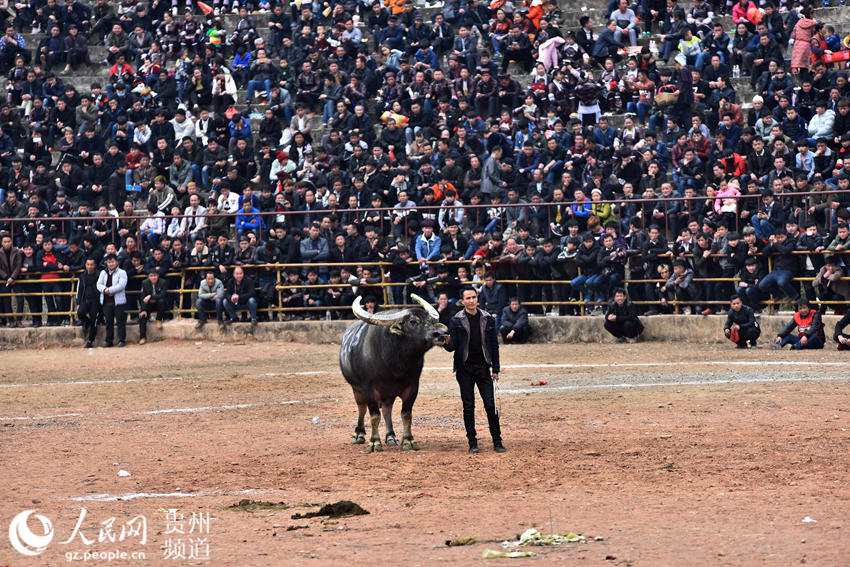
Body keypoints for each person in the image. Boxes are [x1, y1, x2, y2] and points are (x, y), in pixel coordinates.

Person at [444, 287, 505, 454]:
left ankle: (497, 441)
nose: (471, 301)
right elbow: (453, 347)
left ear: (477, 299)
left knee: (490, 405)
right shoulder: (456, 320)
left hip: (484, 368)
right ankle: (472, 442)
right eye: (467, 298)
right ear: (462, 301)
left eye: (473, 297)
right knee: (468, 406)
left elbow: (494, 346)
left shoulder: (487, 318)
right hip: (464, 370)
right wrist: (445, 341)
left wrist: (496, 368)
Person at [96, 253, 128, 347]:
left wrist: (109, 290)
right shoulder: (103, 272)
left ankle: (122, 340)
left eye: (112, 262)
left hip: (119, 301)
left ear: (117, 262)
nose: (111, 264)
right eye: (109, 262)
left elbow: (122, 285)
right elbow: (98, 284)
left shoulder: (122, 272)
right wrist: (104, 289)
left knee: (120, 322)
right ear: (106, 263)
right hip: (106, 301)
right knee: (109, 322)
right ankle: (109, 341)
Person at [138, 270, 168, 345]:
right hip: (149, 304)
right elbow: (142, 297)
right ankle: (142, 337)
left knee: (161, 301)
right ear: (148, 277)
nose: (153, 277)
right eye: (151, 276)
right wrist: (143, 309)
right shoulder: (144, 283)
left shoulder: (163, 282)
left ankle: (158, 319)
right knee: (142, 316)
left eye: (155, 275)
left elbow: (162, 295)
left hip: (159, 303)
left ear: (158, 276)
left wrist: (151, 296)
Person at [76, 257, 100, 348]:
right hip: (85, 300)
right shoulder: (82, 276)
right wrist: (78, 302)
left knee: (94, 321)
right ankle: (87, 322)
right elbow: (79, 290)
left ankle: (90, 340)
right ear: (85, 265)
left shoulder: (99, 275)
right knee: (80, 313)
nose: (90, 266)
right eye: (88, 264)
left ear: (94, 265)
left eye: (91, 264)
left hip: (96, 301)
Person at [0, 233, 21, 326]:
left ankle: (19, 320)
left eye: (8, 241)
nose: (7, 243)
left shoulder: (16, 251)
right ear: (2, 243)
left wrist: (12, 277)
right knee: (6, 300)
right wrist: (6, 277)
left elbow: (18, 265)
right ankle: (10, 320)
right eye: (5, 242)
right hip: (4, 280)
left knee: (20, 299)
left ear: (11, 242)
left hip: (16, 279)